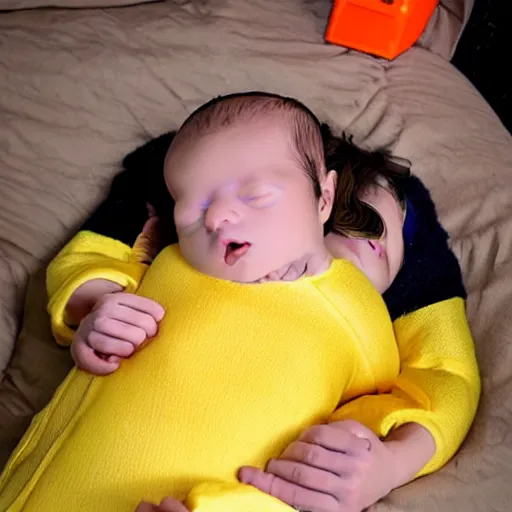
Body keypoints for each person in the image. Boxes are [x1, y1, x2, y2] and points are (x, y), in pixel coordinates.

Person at [0, 93, 480, 512]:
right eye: (197, 211)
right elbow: (94, 256)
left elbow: (445, 380)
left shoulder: (366, 324)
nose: (222, 217)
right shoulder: (174, 259)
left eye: (383, 242)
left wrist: (391, 463)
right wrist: (96, 304)